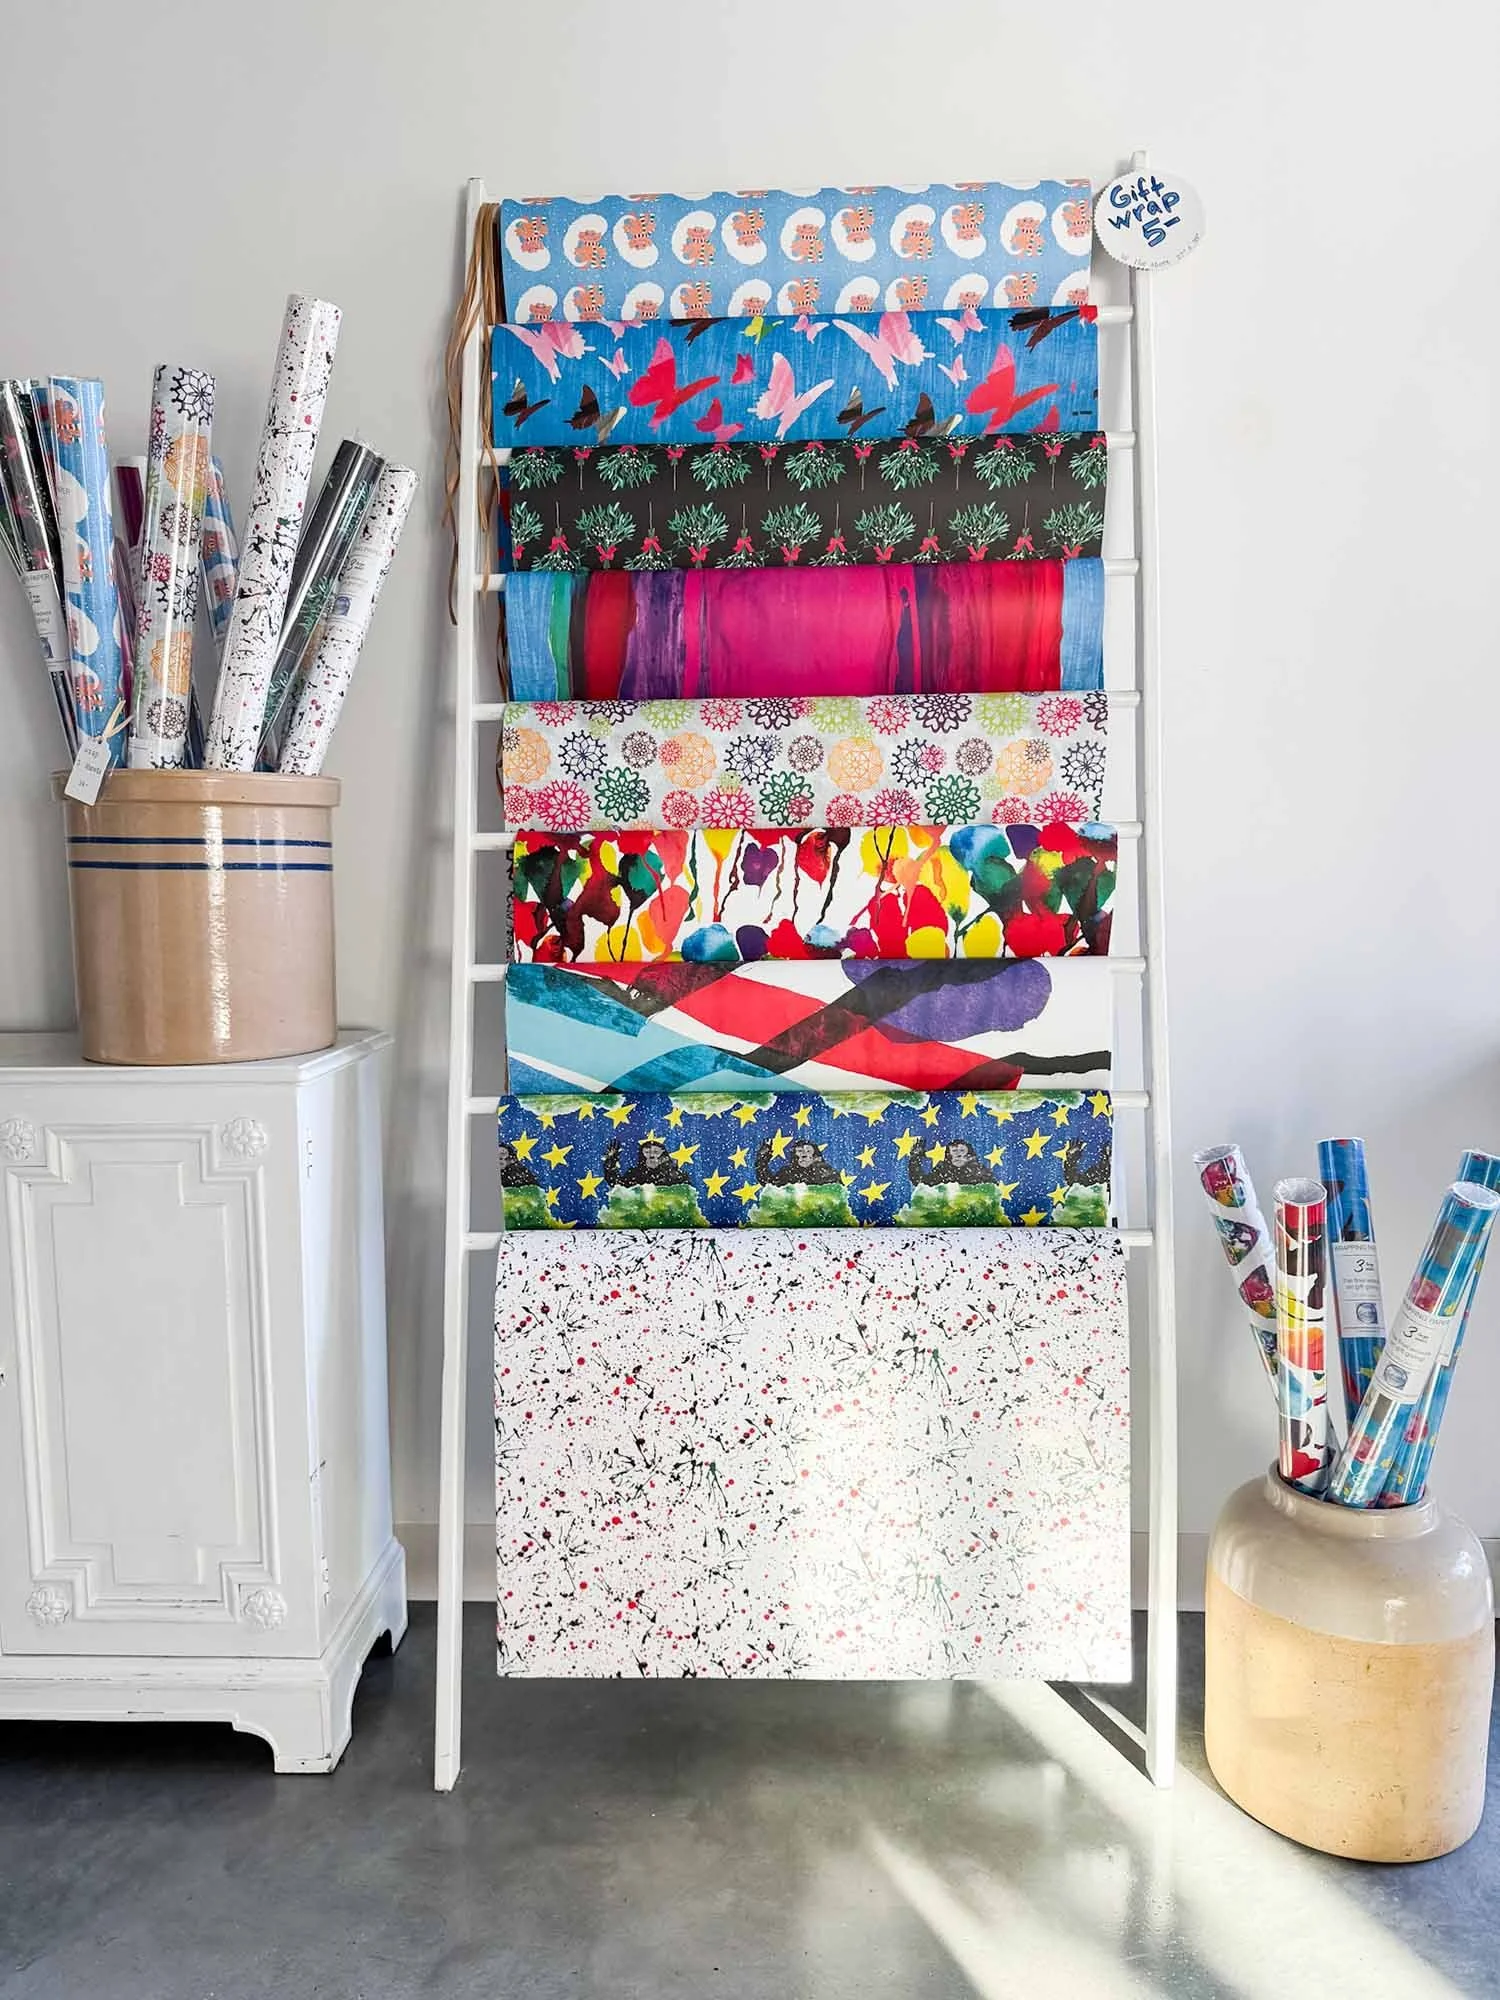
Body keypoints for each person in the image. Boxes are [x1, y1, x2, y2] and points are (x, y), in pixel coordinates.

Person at [905, 1137, 996, 1188]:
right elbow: (921, 1183)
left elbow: (993, 1191)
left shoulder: (980, 1171)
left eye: (962, 1150)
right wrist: (915, 1158)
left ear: (969, 1154)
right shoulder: (943, 1170)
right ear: (949, 1155)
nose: (958, 1155)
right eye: (955, 1151)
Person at [754, 1136, 844, 1186]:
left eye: (808, 1151)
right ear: (795, 1156)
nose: (803, 1154)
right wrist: (762, 1158)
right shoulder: (788, 1172)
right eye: (800, 1151)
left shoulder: (827, 1172)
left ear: (816, 1156)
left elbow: (837, 1194)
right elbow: (769, 1184)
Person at [602, 1136, 690, 1187]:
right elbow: (618, 1185)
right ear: (642, 1155)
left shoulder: (675, 1174)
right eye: (647, 1152)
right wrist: (611, 1163)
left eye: (656, 1152)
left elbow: (686, 1193)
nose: (652, 1155)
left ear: (663, 1154)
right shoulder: (635, 1174)